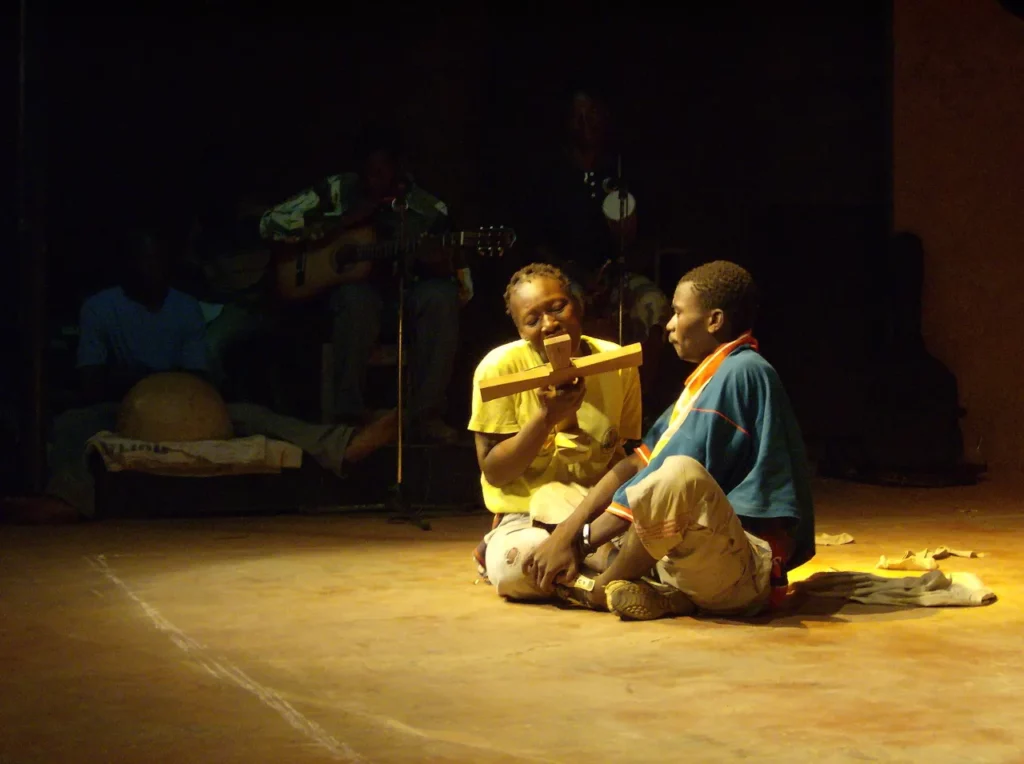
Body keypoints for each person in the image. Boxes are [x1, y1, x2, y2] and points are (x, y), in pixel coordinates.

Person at [1, 230, 395, 523]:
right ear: (129, 264)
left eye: (157, 260)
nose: (150, 269)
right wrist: (142, 385)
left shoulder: (184, 307)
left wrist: (171, 389)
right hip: (123, 405)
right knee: (73, 424)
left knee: (252, 415)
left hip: (187, 405)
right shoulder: (101, 308)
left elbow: (195, 374)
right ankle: (66, 500)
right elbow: (90, 379)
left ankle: (343, 445)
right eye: (142, 260)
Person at [521, 260, 815, 621]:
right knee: (554, 495)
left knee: (677, 474)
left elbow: (665, 480)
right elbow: (637, 463)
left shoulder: (742, 372)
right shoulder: (710, 376)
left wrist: (578, 543)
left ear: (714, 321)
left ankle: (600, 589)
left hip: (742, 570)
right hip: (697, 557)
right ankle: (663, 591)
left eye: (677, 313)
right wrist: (568, 532)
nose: (670, 325)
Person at [259, 129, 470, 443]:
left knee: (441, 296)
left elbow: (464, 287)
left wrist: (438, 262)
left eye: (382, 173)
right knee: (356, 297)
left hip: (404, 298)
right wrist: (339, 225)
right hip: (347, 304)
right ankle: (350, 418)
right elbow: (269, 224)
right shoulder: (336, 191)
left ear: (399, 170)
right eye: (368, 173)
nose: (373, 181)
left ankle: (426, 415)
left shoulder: (428, 210)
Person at [468, 262, 642, 599]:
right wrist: (546, 418)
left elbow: (620, 453)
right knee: (520, 565)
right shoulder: (498, 370)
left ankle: (592, 575)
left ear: (577, 304)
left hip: (593, 511)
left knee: (664, 542)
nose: (549, 325)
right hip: (525, 516)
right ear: (520, 330)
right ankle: (608, 579)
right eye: (532, 320)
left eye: (557, 307)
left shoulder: (617, 362)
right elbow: (496, 473)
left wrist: (615, 517)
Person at [527, 87, 670, 371]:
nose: (585, 124)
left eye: (591, 114)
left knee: (653, 303)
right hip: (566, 278)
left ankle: (639, 396)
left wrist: (616, 270)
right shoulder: (550, 173)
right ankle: (573, 395)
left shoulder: (619, 168)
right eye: (577, 116)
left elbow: (647, 236)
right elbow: (535, 239)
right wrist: (574, 273)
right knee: (562, 312)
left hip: (617, 274)